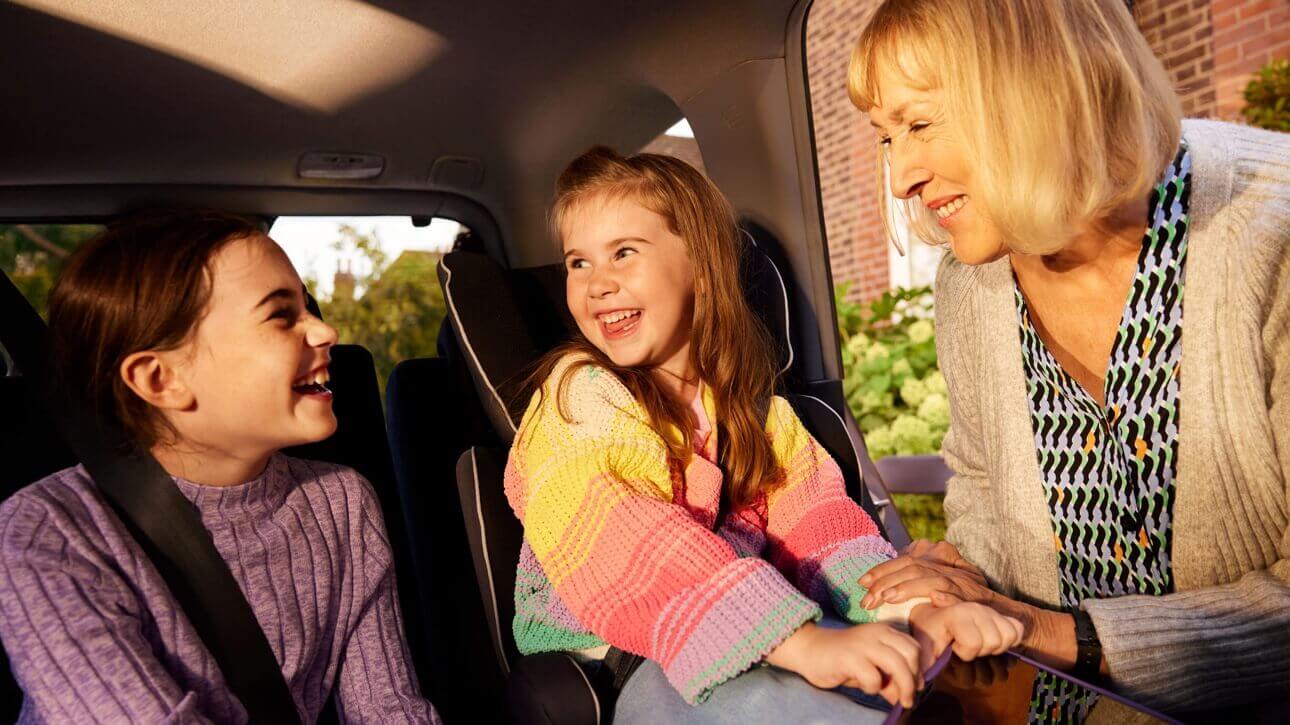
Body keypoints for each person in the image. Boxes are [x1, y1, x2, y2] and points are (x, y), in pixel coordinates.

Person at [846, 0, 1290, 721]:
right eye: (886, 137)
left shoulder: (1271, 234)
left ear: (1038, 87)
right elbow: (984, 484)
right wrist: (962, 576)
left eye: (920, 124)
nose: (899, 178)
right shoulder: (971, 281)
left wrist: (1051, 632)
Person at [503, 147, 1024, 723]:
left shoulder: (761, 415)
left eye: (623, 253)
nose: (597, 283)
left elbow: (827, 539)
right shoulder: (579, 393)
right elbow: (622, 530)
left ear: (701, 265)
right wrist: (800, 643)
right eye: (578, 263)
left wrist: (916, 610)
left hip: (760, 631)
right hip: (624, 654)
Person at [0, 210, 440, 723]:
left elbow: (389, 709)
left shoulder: (341, 501)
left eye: (307, 306)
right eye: (281, 315)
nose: (326, 330)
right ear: (161, 380)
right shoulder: (50, 533)